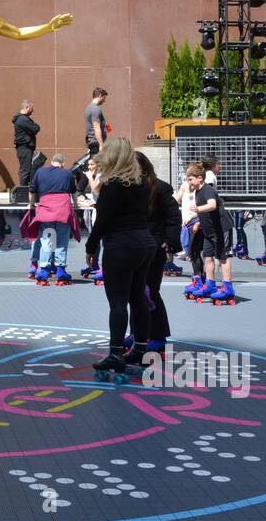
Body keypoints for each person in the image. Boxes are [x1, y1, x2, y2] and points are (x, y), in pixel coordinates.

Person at [85, 138, 155, 380]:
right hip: (144, 243)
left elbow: (102, 220)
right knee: (138, 298)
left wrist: (91, 246)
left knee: (117, 301)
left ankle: (116, 353)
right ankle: (140, 349)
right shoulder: (141, 183)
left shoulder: (112, 185)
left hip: (121, 245)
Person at [133, 151, 181, 361]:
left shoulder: (160, 188)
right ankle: (138, 333)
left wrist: (170, 241)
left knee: (150, 292)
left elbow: (173, 217)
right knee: (134, 294)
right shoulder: (129, 188)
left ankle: (159, 335)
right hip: (134, 247)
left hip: (154, 247)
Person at [27, 154, 79, 285]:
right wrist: (77, 205)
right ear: (63, 163)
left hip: (46, 210)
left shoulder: (40, 172)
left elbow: (32, 191)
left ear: (52, 161)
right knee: (62, 239)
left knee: (47, 239)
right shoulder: (67, 173)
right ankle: (61, 270)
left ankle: (43, 270)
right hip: (63, 210)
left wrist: (32, 205)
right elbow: (74, 192)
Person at [187, 161, 235, 303]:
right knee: (207, 256)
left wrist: (197, 210)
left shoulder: (207, 189)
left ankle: (227, 287)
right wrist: (194, 218)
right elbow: (204, 211)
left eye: (190, 179)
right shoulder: (197, 192)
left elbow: (212, 205)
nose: (189, 182)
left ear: (199, 178)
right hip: (209, 230)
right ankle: (210, 284)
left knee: (222, 256)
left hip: (221, 228)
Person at [13, 100, 39, 187]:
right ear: (26, 107)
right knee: (25, 170)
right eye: (32, 109)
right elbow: (35, 128)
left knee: (27, 169)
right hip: (25, 148)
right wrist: (35, 127)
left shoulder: (23, 118)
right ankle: (23, 191)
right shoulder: (22, 119)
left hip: (25, 147)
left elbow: (34, 128)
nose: (33, 111)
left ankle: (26, 190)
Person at [84, 87, 108, 155]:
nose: (104, 100)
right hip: (96, 143)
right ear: (100, 96)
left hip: (92, 142)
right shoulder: (96, 109)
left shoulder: (88, 108)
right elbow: (96, 127)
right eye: (104, 98)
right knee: (97, 165)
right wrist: (101, 144)